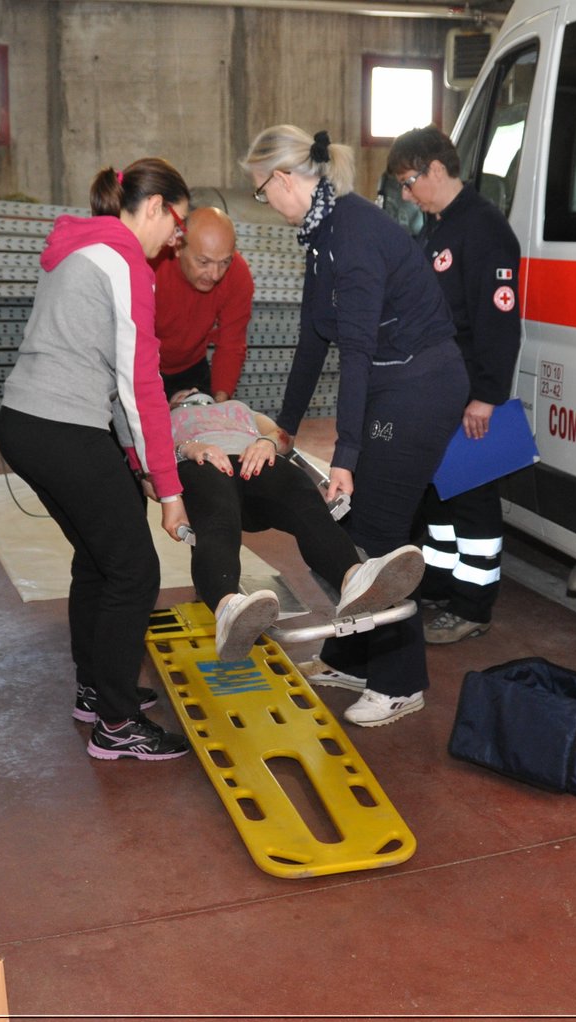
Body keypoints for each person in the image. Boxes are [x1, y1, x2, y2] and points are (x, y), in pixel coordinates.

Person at [242, 126, 468, 727]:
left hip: (420, 387)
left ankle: (399, 681)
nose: (268, 202)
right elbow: (315, 338)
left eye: (263, 191)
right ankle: (351, 655)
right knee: (337, 524)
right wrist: (282, 428)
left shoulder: (354, 231)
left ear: (285, 178)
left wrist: (345, 453)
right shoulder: (320, 236)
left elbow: (359, 349)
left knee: (376, 537)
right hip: (391, 383)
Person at [0, 158, 193, 762]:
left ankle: (95, 688)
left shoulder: (83, 247)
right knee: (135, 571)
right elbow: (141, 381)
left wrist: (134, 460)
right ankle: (117, 724)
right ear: (154, 206)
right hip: (63, 427)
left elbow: (102, 371)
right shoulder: (124, 261)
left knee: (101, 559)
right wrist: (169, 486)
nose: (177, 238)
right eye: (178, 222)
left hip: (25, 422)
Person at [388, 126, 524, 645]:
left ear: (436, 170)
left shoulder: (483, 228)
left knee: (471, 497)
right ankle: (442, 583)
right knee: (441, 499)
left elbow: (497, 322)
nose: (406, 194)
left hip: (471, 393)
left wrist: (486, 396)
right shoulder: (439, 227)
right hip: (438, 389)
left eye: (408, 181)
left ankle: (473, 604)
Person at [168, 390, 426, 660]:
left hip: (255, 460)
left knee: (303, 497)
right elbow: (148, 456)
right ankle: (228, 609)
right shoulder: (167, 415)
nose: (193, 391)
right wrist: (186, 448)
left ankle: (353, 578)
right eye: (184, 391)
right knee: (217, 519)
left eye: (197, 389)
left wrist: (266, 442)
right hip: (201, 463)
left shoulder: (238, 407)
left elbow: (279, 435)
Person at [155, 207, 255, 401]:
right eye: (203, 262)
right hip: (142, 366)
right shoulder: (154, 265)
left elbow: (231, 343)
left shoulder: (238, 275)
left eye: (224, 262)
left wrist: (220, 403)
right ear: (178, 248)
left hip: (191, 367)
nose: (215, 274)